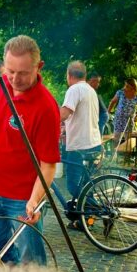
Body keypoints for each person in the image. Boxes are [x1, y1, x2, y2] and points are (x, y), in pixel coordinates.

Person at [0, 35, 61, 265]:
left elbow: (48, 165)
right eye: (10, 71)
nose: (15, 79)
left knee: (32, 256)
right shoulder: (1, 86)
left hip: (23, 196)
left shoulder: (46, 108)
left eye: (23, 73)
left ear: (38, 67)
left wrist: (35, 200)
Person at [61, 61, 102, 200]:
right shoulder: (91, 90)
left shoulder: (74, 89)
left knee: (73, 185)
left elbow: (64, 114)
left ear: (69, 75)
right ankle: (84, 220)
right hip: (94, 143)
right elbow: (81, 117)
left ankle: (95, 209)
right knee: (86, 185)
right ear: (84, 75)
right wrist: (65, 128)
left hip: (80, 146)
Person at [107, 78, 137, 147]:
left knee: (128, 140)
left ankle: (127, 156)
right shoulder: (120, 92)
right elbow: (112, 102)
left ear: (133, 87)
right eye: (125, 85)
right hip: (119, 119)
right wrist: (108, 112)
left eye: (127, 86)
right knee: (116, 138)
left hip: (129, 120)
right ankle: (114, 156)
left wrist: (136, 116)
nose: (125, 87)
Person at [88, 70, 109, 135]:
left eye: (98, 82)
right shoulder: (90, 90)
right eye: (96, 82)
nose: (98, 84)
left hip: (102, 115)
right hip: (102, 114)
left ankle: (99, 143)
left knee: (98, 134)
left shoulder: (92, 91)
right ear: (90, 81)